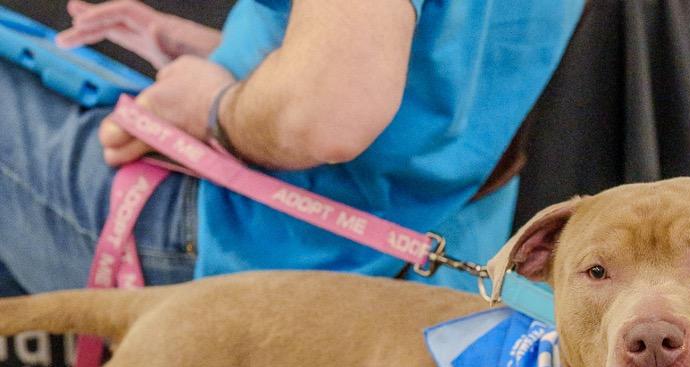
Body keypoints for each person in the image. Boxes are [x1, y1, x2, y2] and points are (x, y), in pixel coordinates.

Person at [0, 0, 584, 297]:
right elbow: (440, 74)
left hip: (265, 252)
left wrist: (212, 106)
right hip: (428, 266)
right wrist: (227, 57)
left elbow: (325, 118)